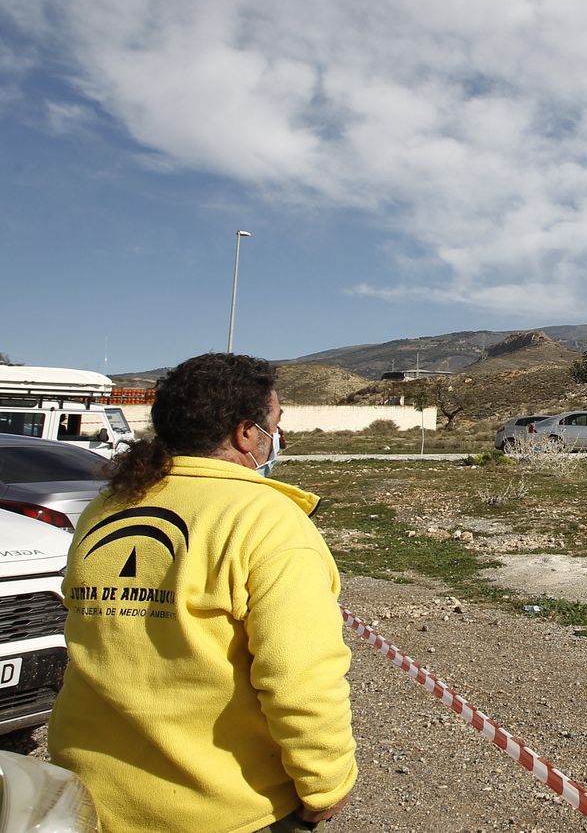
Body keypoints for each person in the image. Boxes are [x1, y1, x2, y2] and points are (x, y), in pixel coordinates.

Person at [49, 353, 357, 833]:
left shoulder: (108, 506)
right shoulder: (266, 521)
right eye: (276, 423)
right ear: (246, 433)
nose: (278, 436)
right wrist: (326, 784)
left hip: (86, 798)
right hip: (217, 810)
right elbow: (301, 676)